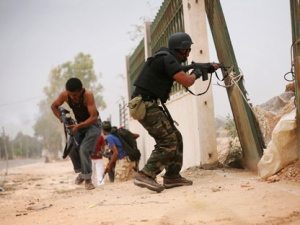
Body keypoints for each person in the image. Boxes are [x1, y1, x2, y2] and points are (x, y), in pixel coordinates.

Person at [131, 32, 219, 192]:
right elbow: (187, 80)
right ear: (182, 49)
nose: (189, 53)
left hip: (146, 103)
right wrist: (197, 72)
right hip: (145, 104)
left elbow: (180, 70)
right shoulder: (168, 59)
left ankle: (172, 176)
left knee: (175, 137)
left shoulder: (164, 57)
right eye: (188, 49)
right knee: (168, 140)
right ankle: (146, 174)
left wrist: (200, 67)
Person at [51, 77, 102, 190]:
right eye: (71, 95)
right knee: (71, 147)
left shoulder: (88, 95)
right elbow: (53, 106)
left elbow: (93, 117)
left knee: (84, 149)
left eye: (76, 95)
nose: (73, 98)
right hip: (78, 125)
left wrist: (78, 126)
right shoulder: (64, 95)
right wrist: (62, 119)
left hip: (93, 125)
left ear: (81, 90)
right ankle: (83, 173)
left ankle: (88, 180)